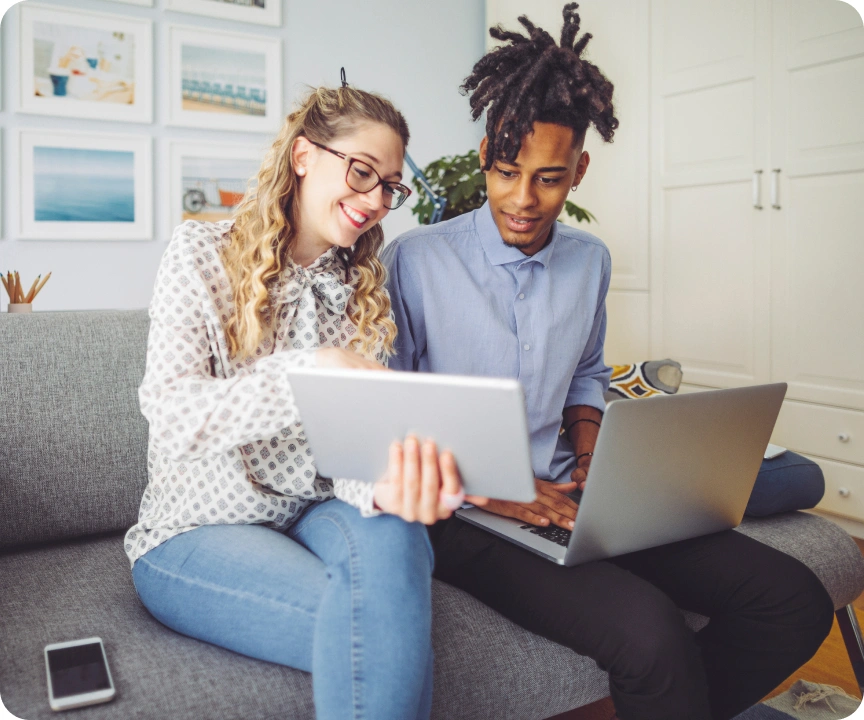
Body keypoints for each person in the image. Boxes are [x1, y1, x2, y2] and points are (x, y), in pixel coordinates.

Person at [381, 5, 835, 719]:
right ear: (482, 158)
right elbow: (391, 411)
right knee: (651, 636)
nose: (523, 200)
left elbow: (588, 370)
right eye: (506, 172)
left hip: (573, 496)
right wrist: (498, 492)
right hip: (467, 515)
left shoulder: (589, 259)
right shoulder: (415, 259)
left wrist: (593, 453)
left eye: (550, 179)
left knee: (791, 599)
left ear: (580, 170)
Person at [125, 82, 484, 720]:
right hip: (196, 530)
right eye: (361, 171)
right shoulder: (199, 253)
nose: (375, 201)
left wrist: (382, 486)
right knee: (379, 628)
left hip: (313, 510)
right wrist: (308, 370)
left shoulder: (362, 288)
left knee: (400, 534)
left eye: (390, 187)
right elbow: (174, 416)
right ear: (302, 157)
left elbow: (349, 452)